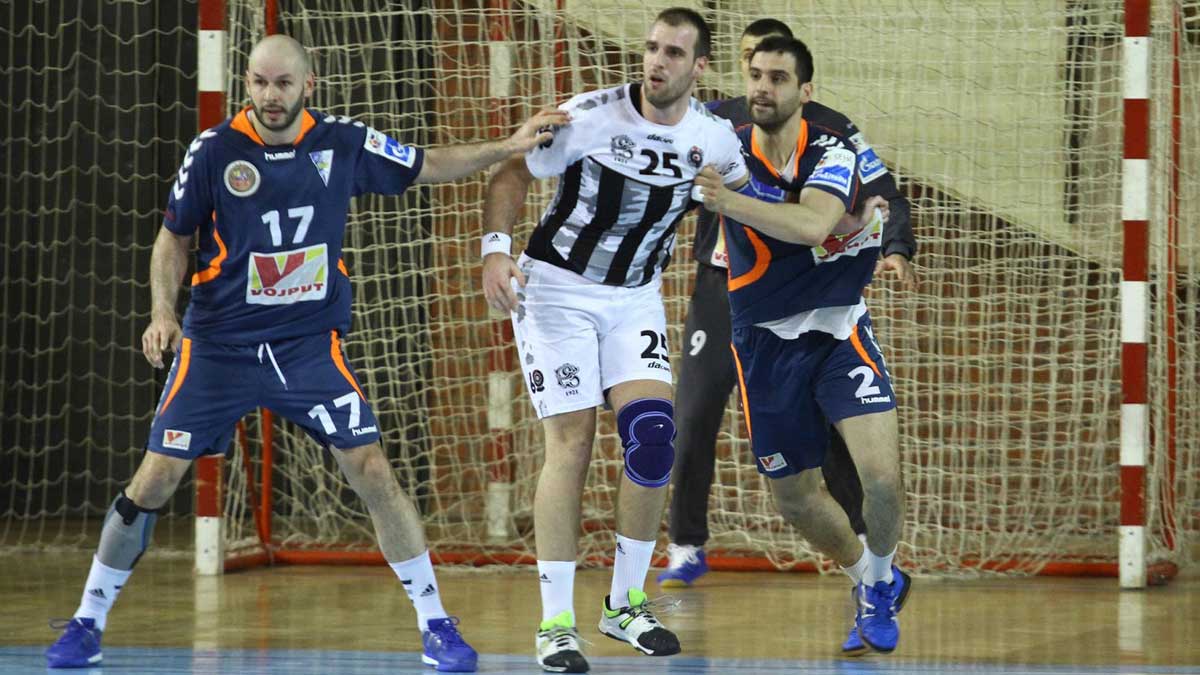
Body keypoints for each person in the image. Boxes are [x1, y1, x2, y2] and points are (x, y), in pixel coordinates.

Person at [44, 35, 566, 673]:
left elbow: (431, 163)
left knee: (372, 468)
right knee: (154, 479)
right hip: (218, 346)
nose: (269, 96)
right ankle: (87, 621)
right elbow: (172, 238)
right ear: (247, 83)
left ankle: (436, 624)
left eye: (282, 84)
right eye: (259, 83)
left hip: (305, 348)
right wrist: (161, 312)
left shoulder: (341, 142)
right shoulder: (214, 151)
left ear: (308, 85)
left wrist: (507, 146)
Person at [480, 8, 753, 673]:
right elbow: (514, 170)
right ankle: (555, 623)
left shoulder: (714, 139)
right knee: (571, 440)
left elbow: (746, 202)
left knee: (656, 436)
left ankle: (625, 603)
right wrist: (494, 251)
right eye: (652, 48)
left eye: (674, 53)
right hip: (557, 291)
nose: (657, 62)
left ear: (700, 67)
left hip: (634, 296)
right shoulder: (591, 116)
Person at [659, 17, 918, 657]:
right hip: (763, 341)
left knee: (881, 477)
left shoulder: (833, 147)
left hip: (837, 330)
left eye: (778, 77)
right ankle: (865, 579)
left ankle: (880, 580)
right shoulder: (722, 142)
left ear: (805, 90)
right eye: (754, 75)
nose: (763, 86)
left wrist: (725, 201)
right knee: (795, 498)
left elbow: (811, 224)